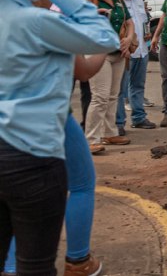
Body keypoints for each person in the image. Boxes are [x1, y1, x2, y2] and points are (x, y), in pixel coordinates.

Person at [0, 0, 118, 275]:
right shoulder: (38, 21)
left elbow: (80, 68)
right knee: (36, 261)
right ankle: (78, 260)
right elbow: (104, 39)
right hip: (31, 148)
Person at [4, 53, 107, 276]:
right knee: (82, 184)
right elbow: (83, 70)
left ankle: (10, 266)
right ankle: (78, 262)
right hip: (47, 111)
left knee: (10, 193)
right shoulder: (48, 21)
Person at [86, 0, 135, 151]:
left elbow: (129, 23)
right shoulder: (90, 3)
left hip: (118, 53)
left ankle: (109, 133)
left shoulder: (118, 1)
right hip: (99, 53)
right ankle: (91, 138)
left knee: (114, 96)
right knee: (100, 97)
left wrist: (129, 38)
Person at [59, 0, 103, 130]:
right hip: (70, 50)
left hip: (88, 49)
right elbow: (58, 20)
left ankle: (86, 126)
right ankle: (63, 129)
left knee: (89, 92)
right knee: (66, 91)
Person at [116, 0, 157, 132]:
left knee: (138, 86)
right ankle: (119, 123)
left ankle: (138, 117)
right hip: (124, 53)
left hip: (141, 51)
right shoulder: (117, 1)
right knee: (120, 90)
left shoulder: (139, 1)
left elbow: (143, 23)